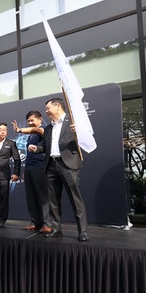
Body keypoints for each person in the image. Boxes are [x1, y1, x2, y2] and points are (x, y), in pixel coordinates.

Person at [28, 98, 90, 242]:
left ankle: (83, 231)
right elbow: (45, 147)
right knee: (53, 201)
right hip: (51, 166)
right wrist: (37, 149)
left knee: (76, 200)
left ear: (58, 106)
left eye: (48, 108)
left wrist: (80, 132)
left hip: (68, 166)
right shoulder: (48, 128)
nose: (46, 112)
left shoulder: (73, 122)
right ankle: (56, 229)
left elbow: (87, 139)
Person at [12, 111, 52, 234]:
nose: (30, 123)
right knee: (31, 197)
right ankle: (35, 223)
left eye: (32, 120)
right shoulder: (30, 136)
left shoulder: (43, 130)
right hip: (29, 168)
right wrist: (26, 170)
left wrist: (19, 130)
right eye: (28, 121)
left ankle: (47, 224)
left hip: (40, 167)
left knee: (42, 196)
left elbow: (38, 131)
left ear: (40, 119)